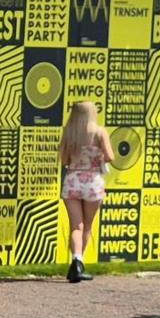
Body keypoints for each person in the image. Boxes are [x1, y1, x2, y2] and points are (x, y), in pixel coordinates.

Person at [58, 97, 112, 281]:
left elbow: (64, 160)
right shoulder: (99, 132)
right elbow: (110, 156)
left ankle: (76, 260)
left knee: (76, 226)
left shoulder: (69, 132)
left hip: (72, 180)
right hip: (92, 182)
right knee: (87, 226)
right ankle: (79, 267)